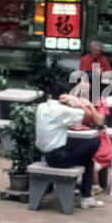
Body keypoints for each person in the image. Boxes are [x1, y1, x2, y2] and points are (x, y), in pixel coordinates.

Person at [35, 79, 103, 208]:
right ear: (65, 96)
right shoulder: (63, 110)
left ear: (50, 95)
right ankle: (86, 198)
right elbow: (86, 114)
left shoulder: (41, 107)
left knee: (87, 160)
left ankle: (85, 196)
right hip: (59, 159)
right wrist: (74, 100)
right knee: (95, 141)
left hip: (46, 155)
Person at [70, 76, 112, 191]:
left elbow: (99, 121)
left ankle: (94, 186)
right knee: (74, 153)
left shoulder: (100, 101)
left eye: (86, 82)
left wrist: (90, 105)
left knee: (89, 157)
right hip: (78, 136)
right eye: (80, 83)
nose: (83, 85)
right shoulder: (73, 99)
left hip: (98, 139)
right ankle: (72, 183)